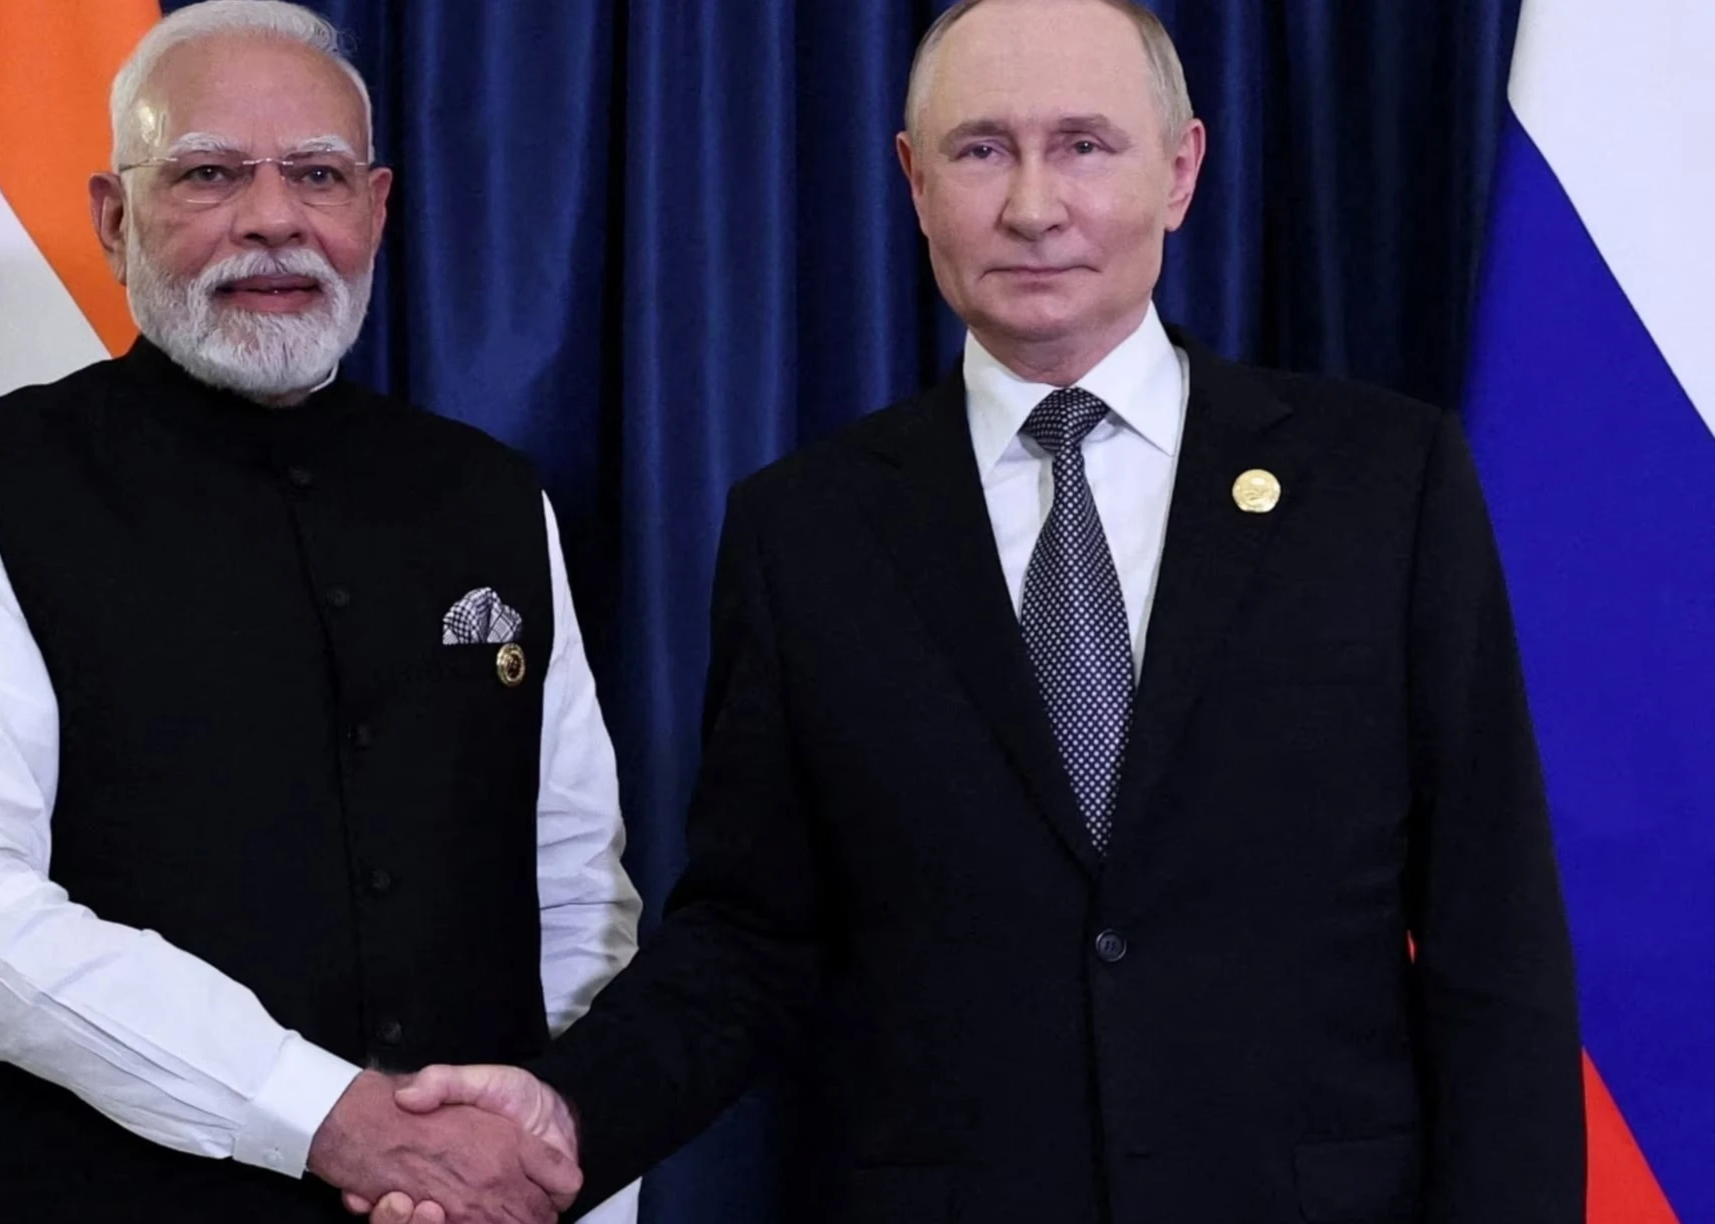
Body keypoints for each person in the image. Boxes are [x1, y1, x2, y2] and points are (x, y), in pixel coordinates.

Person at [352, 1, 1585, 1221]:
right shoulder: (807, 530)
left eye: (1084, 146)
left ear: (1180, 169)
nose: (1032, 205)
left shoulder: (1381, 481)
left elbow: (1491, 934)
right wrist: (571, 1114)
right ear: (913, 180)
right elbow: (752, 937)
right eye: (980, 149)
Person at [0, 4, 639, 1222]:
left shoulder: (490, 497)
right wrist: (334, 1121)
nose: (273, 219)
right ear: (115, 219)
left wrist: (547, 1168)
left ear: (375, 209)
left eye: (316, 176)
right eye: (210, 174)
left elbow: (577, 892)